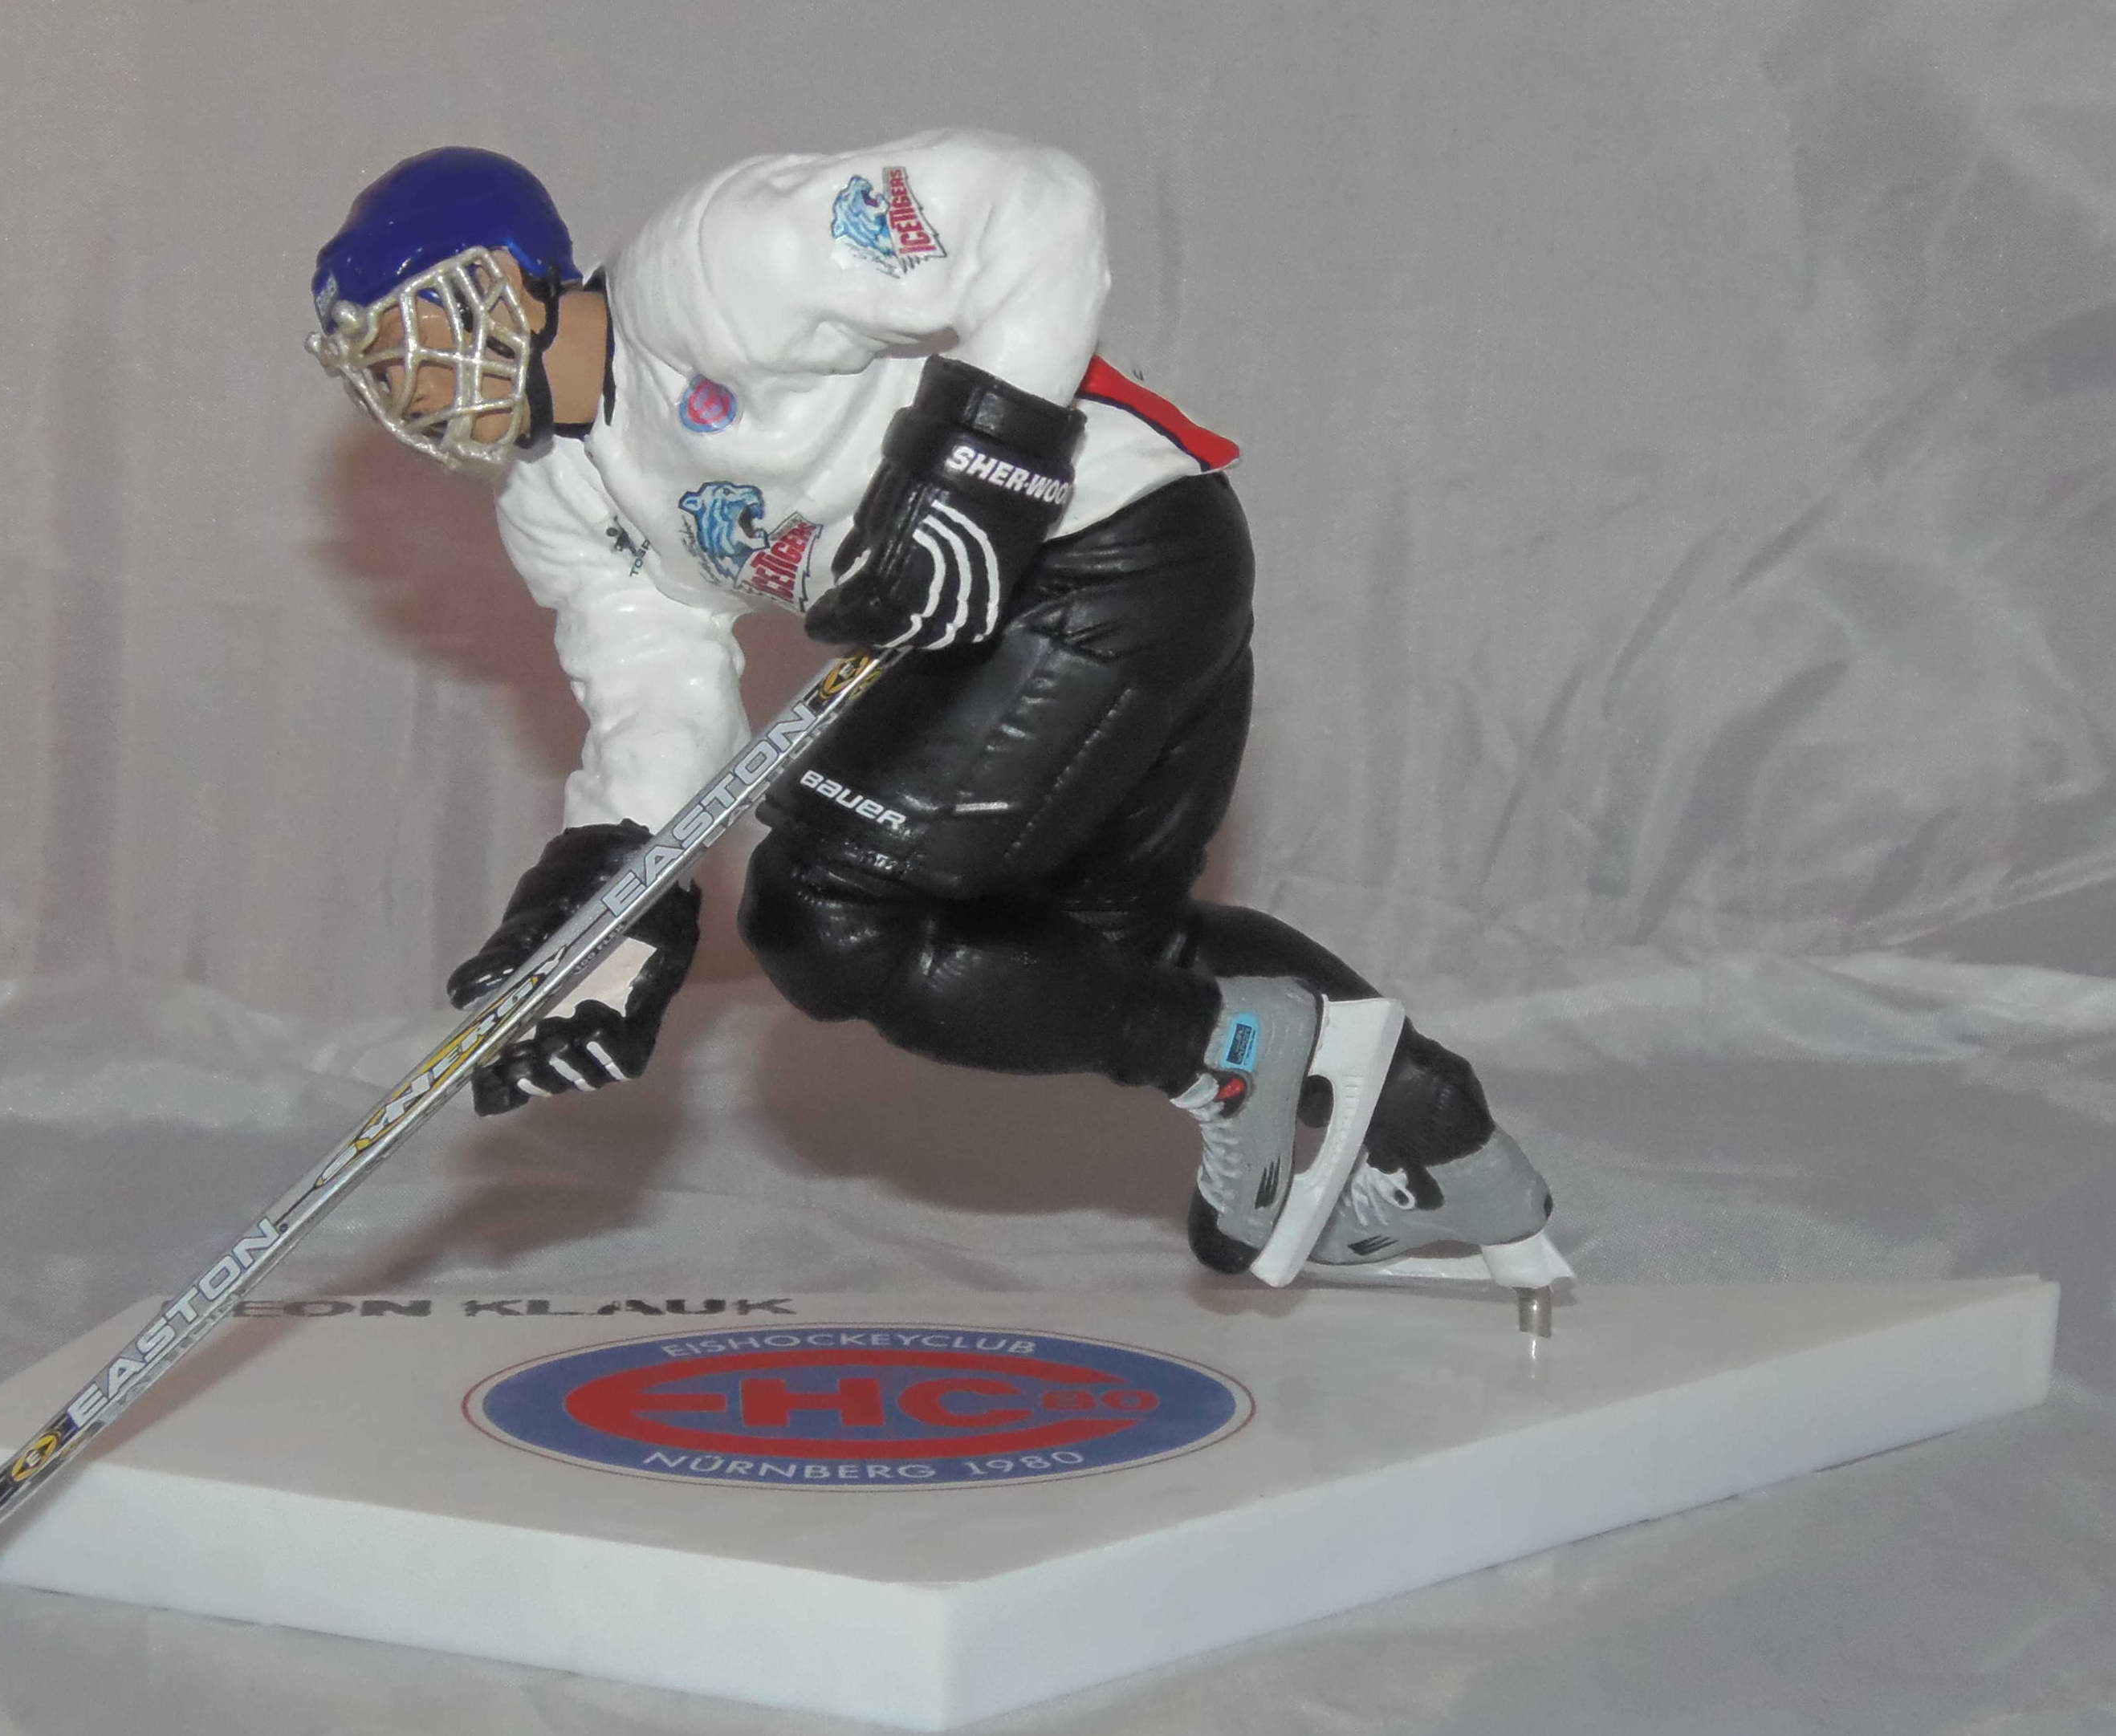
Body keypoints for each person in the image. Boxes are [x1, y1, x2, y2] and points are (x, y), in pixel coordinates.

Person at [307, 133, 1561, 1286]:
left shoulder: (708, 268)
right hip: (1035, 605)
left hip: (1110, 547)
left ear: (515, 276)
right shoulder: (554, 500)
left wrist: (981, 468)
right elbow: (656, 693)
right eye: (383, 374)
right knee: (1103, 952)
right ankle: (1453, 1154)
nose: (410, 389)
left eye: (416, 336)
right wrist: (612, 914)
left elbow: (1034, 201)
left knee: (824, 915)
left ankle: (1223, 1057)